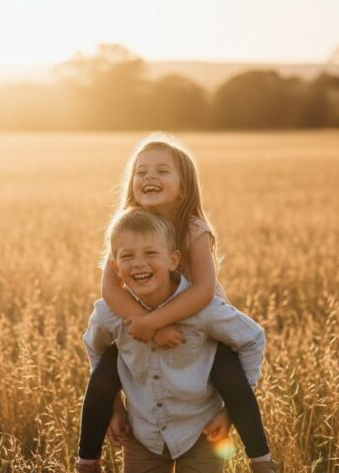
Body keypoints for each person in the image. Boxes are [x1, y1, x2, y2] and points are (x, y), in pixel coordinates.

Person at [76, 134, 276, 472]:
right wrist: (148, 326)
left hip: (200, 323)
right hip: (142, 319)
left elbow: (203, 292)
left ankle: (262, 460)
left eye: (161, 171)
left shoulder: (193, 228)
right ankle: (86, 461)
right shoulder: (126, 228)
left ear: (183, 188)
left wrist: (155, 323)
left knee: (229, 374)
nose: (149, 177)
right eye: (141, 171)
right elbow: (109, 289)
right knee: (109, 365)